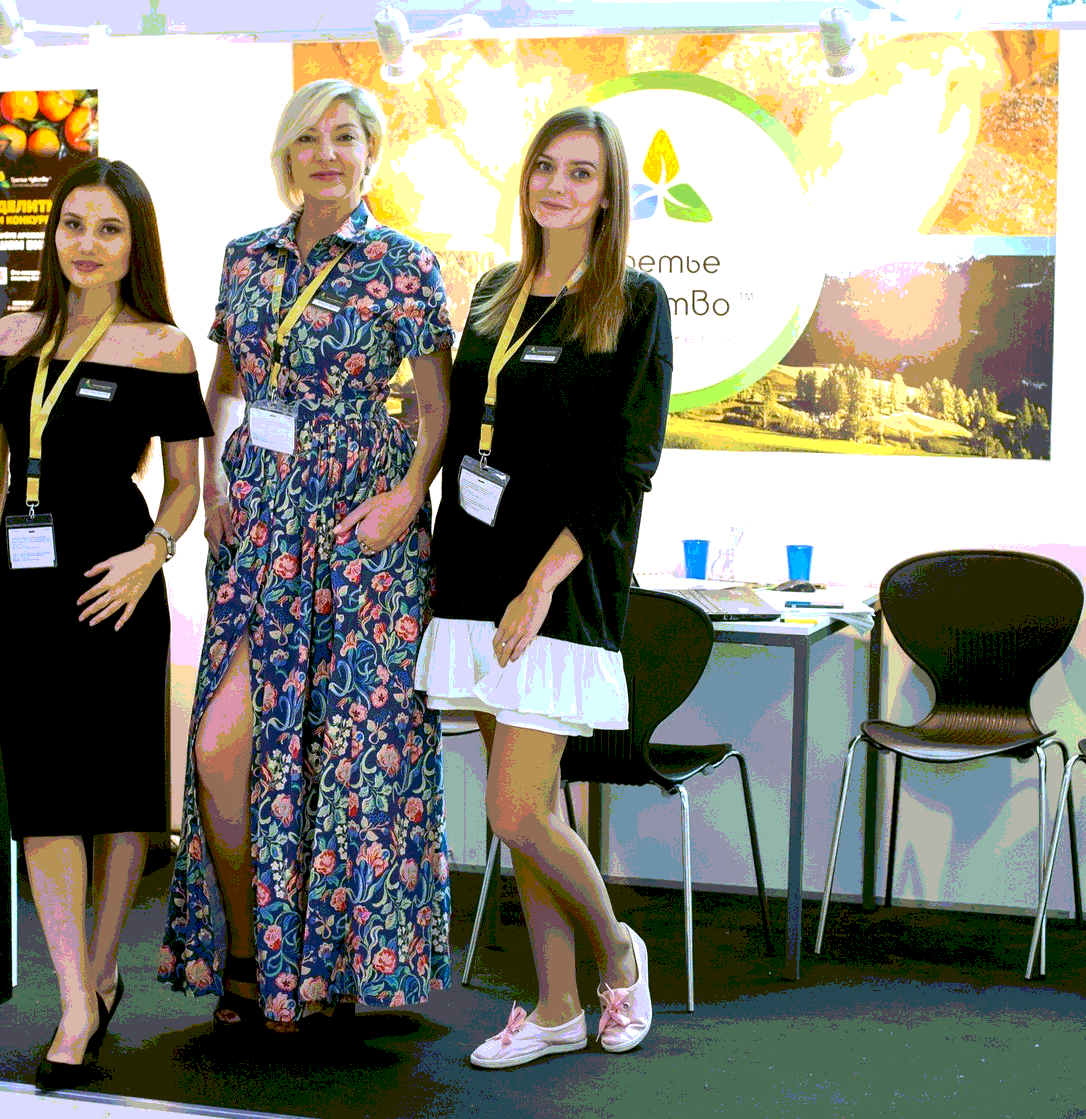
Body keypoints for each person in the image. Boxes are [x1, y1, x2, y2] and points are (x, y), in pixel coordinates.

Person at [158, 78, 454, 1032]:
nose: (326, 153)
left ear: (371, 152)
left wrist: (407, 499)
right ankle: (251, 952)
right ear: (286, 155)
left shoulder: (405, 264)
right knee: (224, 745)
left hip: (363, 530)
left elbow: (438, 407)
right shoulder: (244, 259)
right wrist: (212, 481)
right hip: (259, 525)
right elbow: (222, 386)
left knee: (348, 757)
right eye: (308, 138)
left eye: (344, 137)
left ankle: (324, 971)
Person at [415, 105, 672, 1068]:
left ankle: (620, 953)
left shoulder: (634, 302)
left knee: (516, 808)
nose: (557, 186)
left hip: (558, 585)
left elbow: (627, 467)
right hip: (475, 574)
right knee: (533, 816)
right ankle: (558, 1005)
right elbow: (462, 427)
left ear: (609, 194)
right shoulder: (493, 292)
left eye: (581, 172)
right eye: (546, 167)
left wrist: (540, 583)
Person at [0, 158, 211, 1089]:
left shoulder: (162, 348)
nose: (88, 244)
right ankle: (73, 998)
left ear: (135, 243)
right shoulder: (12, 335)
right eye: (74, 224)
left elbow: (185, 484)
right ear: (52, 233)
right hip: (25, 596)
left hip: (116, 590)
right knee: (45, 799)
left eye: (109, 228)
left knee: (116, 799)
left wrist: (153, 552)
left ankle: (102, 972)